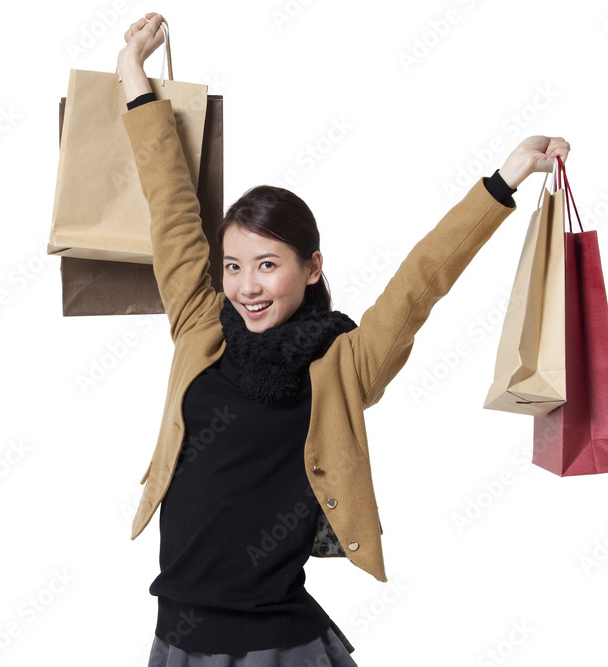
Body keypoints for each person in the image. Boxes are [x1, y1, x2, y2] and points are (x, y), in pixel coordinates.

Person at [115, 12, 570, 666]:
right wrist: (135, 76)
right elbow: (172, 207)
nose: (247, 286)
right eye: (235, 265)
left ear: (312, 268)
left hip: (278, 641)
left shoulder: (343, 361)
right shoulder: (199, 323)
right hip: (180, 632)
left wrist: (503, 181)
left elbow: (420, 283)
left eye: (268, 265)